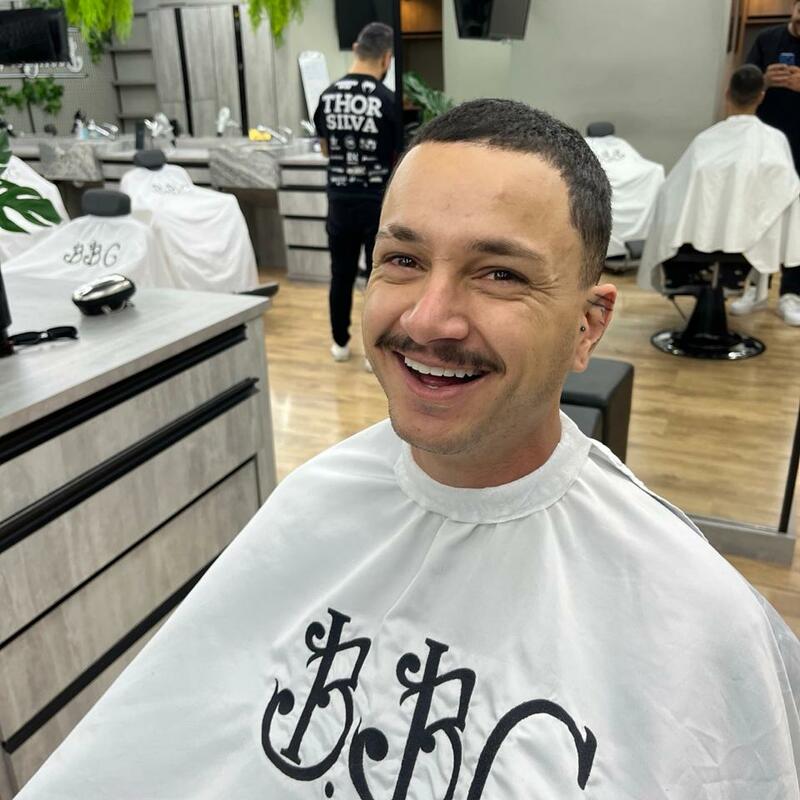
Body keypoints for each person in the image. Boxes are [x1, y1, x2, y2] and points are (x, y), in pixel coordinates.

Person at [16, 100, 800, 799]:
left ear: (588, 325)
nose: (428, 319)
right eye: (403, 260)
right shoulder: (310, 504)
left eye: (499, 273)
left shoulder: (693, 619)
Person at [638, 64, 800, 324]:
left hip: (694, 245)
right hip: (750, 247)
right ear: (761, 96)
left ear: (727, 94)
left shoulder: (705, 141)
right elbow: (788, 193)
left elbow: (669, 193)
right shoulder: (775, 141)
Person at [313, 22, 400, 367]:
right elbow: (397, 156)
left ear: (355, 49)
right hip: (377, 202)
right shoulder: (387, 100)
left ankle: (339, 344)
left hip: (339, 201)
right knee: (377, 276)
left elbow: (325, 150)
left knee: (341, 274)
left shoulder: (327, 97)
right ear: (387, 59)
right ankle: (371, 352)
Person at [746, 0, 800, 323]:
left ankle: (792, 293)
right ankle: (755, 288)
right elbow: (744, 83)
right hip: (765, 142)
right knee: (758, 212)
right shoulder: (767, 39)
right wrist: (764, 80)